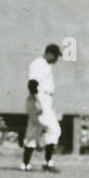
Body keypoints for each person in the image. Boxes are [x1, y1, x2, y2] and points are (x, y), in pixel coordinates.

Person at [28, 43, 62, 171]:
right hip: (40, 98)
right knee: (54, 130)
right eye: (55, 56)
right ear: (49, 54)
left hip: (43, 98)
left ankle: (25, 164)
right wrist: (38, 103)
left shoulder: (44, 65)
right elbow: (32, 84)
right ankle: (48, 163)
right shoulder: (39, 64)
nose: (56, 60)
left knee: (32, 131)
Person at [19, 78, 48, 170]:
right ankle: (26, 163)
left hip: (33, 121)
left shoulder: (30, 97)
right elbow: (39, 109)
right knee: (31, 142)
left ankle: (26, 163)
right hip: (36, 121)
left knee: (30, 142)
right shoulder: (35, 97)